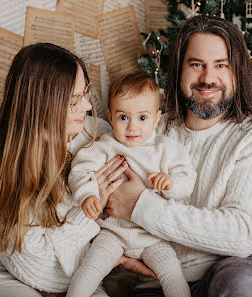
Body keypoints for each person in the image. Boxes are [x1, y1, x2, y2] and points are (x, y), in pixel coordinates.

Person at [104, 15, 252, 297]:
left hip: (237, 269)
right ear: (179, 70)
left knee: (242, 285)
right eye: (196, 65)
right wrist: (120, 253)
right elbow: (106, 196)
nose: (207, 79)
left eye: (221, 66)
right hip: (159, 274)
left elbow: (240, 236)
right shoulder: (149, 129)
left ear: (237, 72)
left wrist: (139, 205)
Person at [0, 43, 153, 297]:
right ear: (44, 104)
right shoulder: (1, 162)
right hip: (6, 276)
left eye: (85, 92)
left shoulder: (100, 135)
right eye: (75, 100)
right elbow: (32, 266)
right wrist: (88, 214)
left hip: (81, 275)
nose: (87, 106)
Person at [67, 71, 196, 297]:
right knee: (90, 268)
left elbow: (187, 179)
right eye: (123, 117)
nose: (132, 127)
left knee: (172, 272)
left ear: (157, 118)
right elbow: (80, 169)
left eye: (142, 118)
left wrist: (171, 184)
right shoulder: (105, 146)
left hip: (152, 235)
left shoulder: (165, 149)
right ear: (110, 115)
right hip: (114, 231)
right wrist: (87, 195)